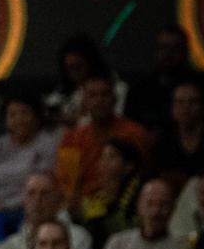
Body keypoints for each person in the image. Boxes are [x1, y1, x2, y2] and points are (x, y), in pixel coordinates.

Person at [55, 72, 149, 207]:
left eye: (104, 94)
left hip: (125, 206)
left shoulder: (135, 133)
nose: (99, 100)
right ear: (84, 102)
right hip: (82, 210)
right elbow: (67, 185)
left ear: (115, 98)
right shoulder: (71, 139)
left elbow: (141, 176)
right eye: (92, 95)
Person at [0, 93, 59, 215]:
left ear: (36, 117)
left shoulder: (48, 144)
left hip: (33, 210)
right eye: (12, 114)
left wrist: (7, 206)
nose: (19, 119)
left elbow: (45, 186)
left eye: (24, 113)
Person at [79, 138, 143, 249]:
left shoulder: (139, 199)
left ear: (129, 166)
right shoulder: (91, 200)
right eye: (103, 157)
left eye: (112, 156)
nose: (104, 161)